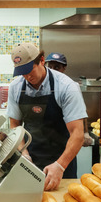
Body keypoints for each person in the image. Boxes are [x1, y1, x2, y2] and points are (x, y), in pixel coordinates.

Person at [7, 43, 87, 191]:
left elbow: (77, 134)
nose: (27, 76)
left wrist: (60, 165)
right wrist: (23, 153)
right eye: (22, 72)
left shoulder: (67, 87)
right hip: (31, 161)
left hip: (63, 163)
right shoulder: (16, 87)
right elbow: (14, 125)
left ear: (42, 61)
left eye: (29, 70)